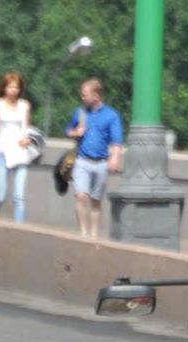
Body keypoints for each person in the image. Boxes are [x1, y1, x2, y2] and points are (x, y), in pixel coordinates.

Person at [65, 79, 124, 239]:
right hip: (82, 160)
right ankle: (83, 233)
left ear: (96, 95)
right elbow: (68, 130)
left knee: (96, 201)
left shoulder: (111, 115)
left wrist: (115, 158)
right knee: (81, 196)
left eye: (85, 95)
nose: (82, 98)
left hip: (101, 163)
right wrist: (75, 132)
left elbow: (117, 140)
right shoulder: (81, 113)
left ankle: (94, 234)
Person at [0, 72, 34, 223]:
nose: (14, 90)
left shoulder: (24, 106)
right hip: (2, 152)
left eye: (16, 87)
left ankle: (19, 229)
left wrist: (28, 140)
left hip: (20, 153)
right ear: (4, 88)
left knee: (19, 196)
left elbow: (27, 129)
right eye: (10, 87)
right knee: (1, 196)